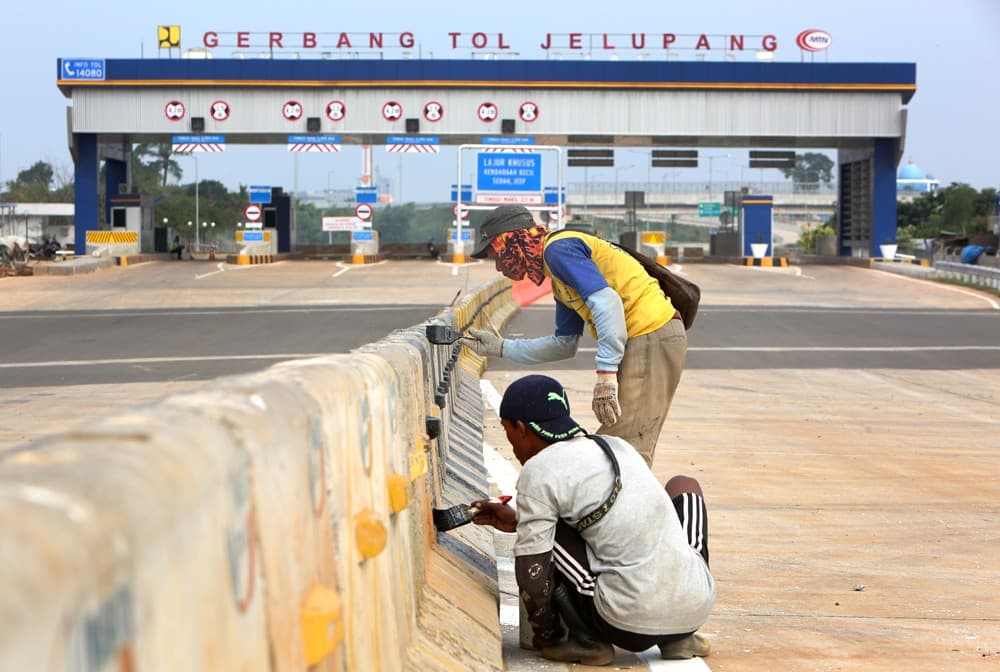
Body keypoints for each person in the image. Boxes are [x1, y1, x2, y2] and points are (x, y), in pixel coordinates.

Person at [472, 374, 715, 666]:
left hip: (625, 622)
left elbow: (532, 572)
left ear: (521, 429)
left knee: (545, 539)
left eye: (507, 430)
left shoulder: (539, 471)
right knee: (683, 486)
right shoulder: (616, 446)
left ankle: (587, 642)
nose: (510, 442)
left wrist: (545, 633)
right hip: (696, 608)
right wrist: (518, 520)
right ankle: (678, 637)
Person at [467, 203, 686, 467]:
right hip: (646, 339)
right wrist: (501, 348)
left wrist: (606, 375)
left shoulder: (558, 250)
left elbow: (607, 303)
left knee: (624, 445)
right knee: (628, 440)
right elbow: (564, 345)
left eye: (496, 254)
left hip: (651, 334)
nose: (499, 266)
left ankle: (617, 503)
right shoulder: (558, 276)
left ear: (511, 241)